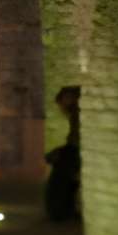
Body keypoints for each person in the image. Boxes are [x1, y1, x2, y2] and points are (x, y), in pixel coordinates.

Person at [43, 85, 82, 223]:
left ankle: (60, 212)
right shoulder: (75, 115)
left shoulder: (78, 115)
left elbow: (77, 141)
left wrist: (61, 153)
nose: (62, 108)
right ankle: (62, 211)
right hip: (73, 152)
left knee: (60, 180)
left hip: (76, 153)